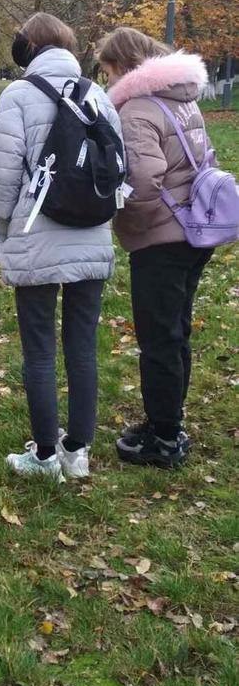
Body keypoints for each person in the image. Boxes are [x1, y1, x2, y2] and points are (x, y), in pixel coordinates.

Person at [0, 12, 122, 480]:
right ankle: (77, 452)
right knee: (83, 347)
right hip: (91, 234)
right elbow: (117, 171)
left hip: (36, 234)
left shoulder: (18, 96)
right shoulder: (99, 96)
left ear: (31, 46)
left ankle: (44, 456)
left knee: (39, 349)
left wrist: (4, 227)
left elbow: (1, 175)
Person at [97, 27, 214, 468]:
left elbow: (143, 181)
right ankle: (169, 418)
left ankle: (164, 437)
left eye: (108, 71)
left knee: (159, 337)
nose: (107, 80)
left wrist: (122, 214)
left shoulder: (138, 110)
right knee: (176, 330)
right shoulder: (183, 99)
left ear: (123, 67)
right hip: (195, 231)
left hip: (162, 238)